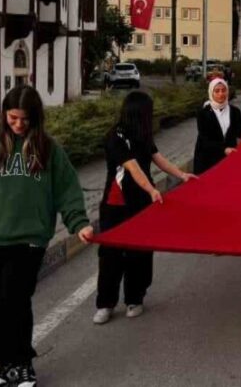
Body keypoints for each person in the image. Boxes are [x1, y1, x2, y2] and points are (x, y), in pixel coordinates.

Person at [0, 86, 92, 387]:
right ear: (4, 114)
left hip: (28, 241)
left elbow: (67, 190)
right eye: (13, 117)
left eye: (25, 119)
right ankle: (4, 366)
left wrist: (79, 223)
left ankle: (23, 364)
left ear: (35, 117)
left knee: (14, 301)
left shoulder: (48, 149)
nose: (19, 124)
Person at [94, 92, 195, 325]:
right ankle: (105, 303)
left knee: (139, 252)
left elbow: (158, 158)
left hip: (140, 204)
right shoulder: (115, 136)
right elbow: (133, 167)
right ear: (139, 113)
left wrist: (181, 175)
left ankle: (134, 298)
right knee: (110, 255)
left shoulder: (143, 135)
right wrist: (151, 189)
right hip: (115, 205)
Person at [196, 77, 241, 173]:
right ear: (211, 92)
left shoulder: (235, 111)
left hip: (228, 159)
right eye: (217, 91)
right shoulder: (203, 113)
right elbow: (204, 139)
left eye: (223, 90)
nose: (221, 94)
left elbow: (238, 130)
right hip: (208, 159)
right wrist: (223, 149)